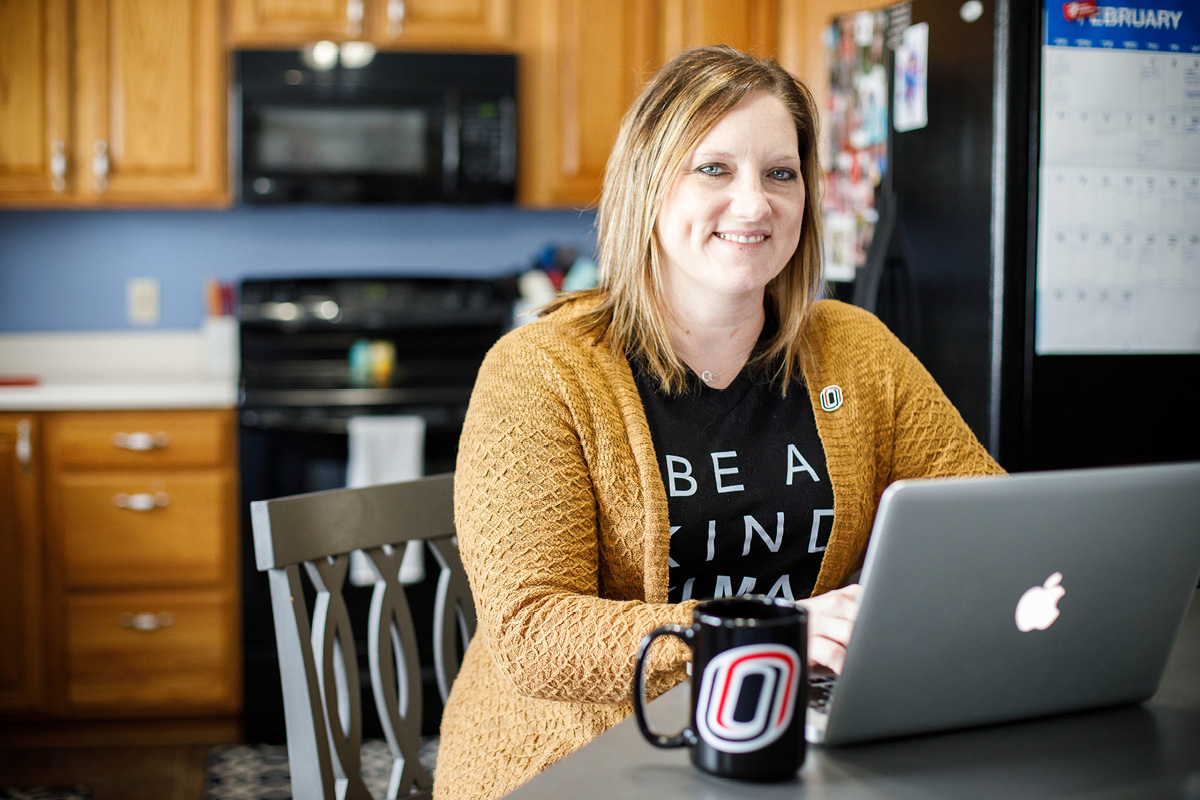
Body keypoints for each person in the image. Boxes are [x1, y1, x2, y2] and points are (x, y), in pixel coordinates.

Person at [434, 45, 1003, 800]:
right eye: (714, 168)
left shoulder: (855, 352)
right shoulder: (543, 371)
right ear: (649, 184)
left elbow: (987, 526)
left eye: (780, 173)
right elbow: (531, 635)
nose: (754, 204)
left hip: (794, 752)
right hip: (582, 766)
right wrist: (775, 632)